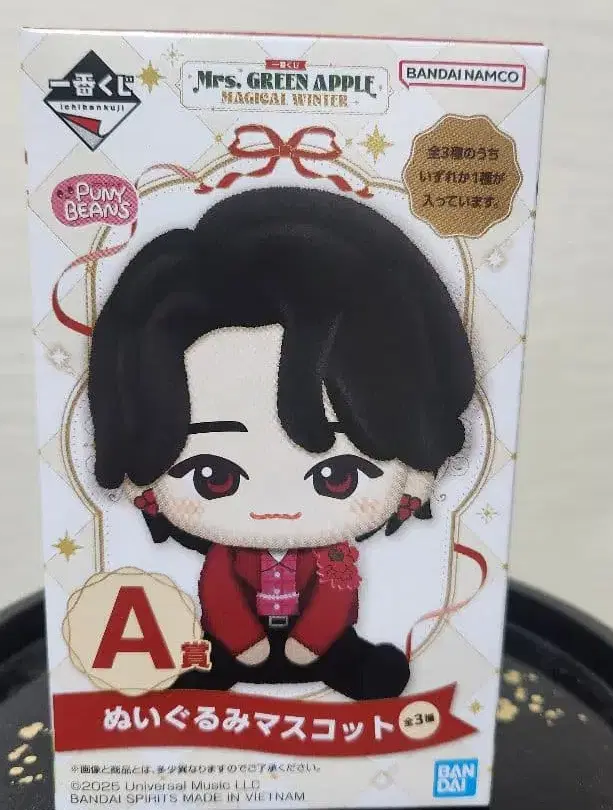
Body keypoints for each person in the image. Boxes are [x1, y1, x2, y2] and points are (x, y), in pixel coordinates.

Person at [88, 187, 474, 700]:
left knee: (351, 661)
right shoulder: (229, 558)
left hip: (322, 644)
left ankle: (340, 666)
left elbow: (335, 597)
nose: (276, 510)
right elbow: (219, 593)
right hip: (236, 642)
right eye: (213, 476)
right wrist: (243, 642)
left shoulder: (334, 556)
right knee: (208, 663)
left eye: (337, 477)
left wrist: (310, 644)